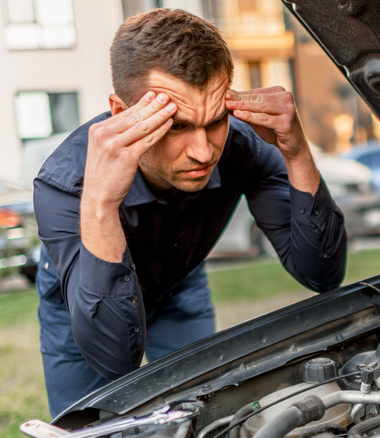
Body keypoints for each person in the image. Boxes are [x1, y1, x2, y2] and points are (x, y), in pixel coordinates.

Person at [33, 8, 347, 418]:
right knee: (89, 426)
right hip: (80, 299)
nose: (203, 152)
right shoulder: (63, 184)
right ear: (120, 111)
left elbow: (321, 274)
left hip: (180, 283)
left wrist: (296, 151)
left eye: (215, 121)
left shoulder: (243, 146)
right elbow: (115, 359)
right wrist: (101, 203)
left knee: (200, 413)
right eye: (176, 126)